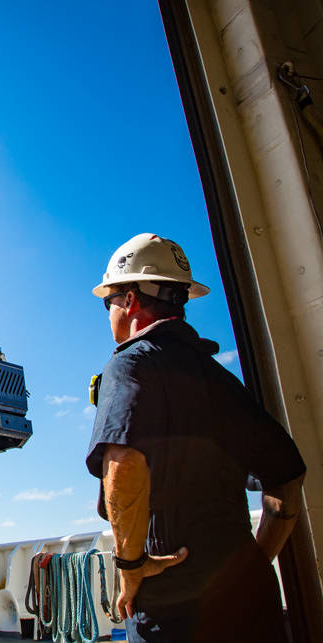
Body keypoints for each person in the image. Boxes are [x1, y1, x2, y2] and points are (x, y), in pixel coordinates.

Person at [86, 234, 306, 643]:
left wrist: (130, 568)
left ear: (130, 300)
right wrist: (256, 561)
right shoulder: (221, 379)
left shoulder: (130, 365)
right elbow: (288, 480)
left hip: (174, 612)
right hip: (250, 601)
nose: (110, 311)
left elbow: (125, 461)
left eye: (109, 301)